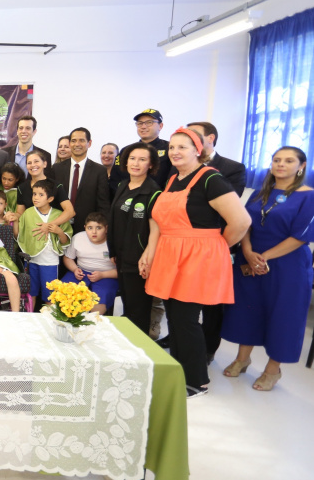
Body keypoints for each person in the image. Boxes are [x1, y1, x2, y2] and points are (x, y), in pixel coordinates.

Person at [142, 127, 251, 398]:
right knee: (175, 318)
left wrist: (216, 247)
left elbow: (241, 222)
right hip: (171, 254)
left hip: (196, 257)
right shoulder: (173, 180)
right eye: (172, 147)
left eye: (183, 147)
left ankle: (197, 381)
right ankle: (180, 369)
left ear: (198, 150)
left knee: (186, 319)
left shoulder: (211, 179)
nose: (175, 152)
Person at [221, 147, 313, 391]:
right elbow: (246, 224)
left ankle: (273, 369)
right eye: (276, 160)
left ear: (301, 166)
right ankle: (243, 358)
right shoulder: (261, 193)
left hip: (287, 264)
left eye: (288, 160)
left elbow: (301, 236)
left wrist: (264, 258)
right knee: (247, 309)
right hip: (250, 259)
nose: (280, 164)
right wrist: (249, 253)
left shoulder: (308, 196)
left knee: (283, 315)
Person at [184, 121, 248, 364]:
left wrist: (220, 244)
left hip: (213, 242)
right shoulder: (180, 166)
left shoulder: (231, 168)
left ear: (210, 138)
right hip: (184, 243)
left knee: (211, 303)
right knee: (185, 298)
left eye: (195, 136)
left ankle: (208, 347)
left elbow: (230, 209)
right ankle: (181, 338)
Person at [106, 143, 161, 336]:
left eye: (142, 159)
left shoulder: (153, 192)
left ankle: (139, 348)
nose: (135, 163)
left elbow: (156, 229)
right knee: (128, 303)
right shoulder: (123, 185)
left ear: (151, 165)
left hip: (138, 258)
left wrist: (147, 256)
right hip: (121, 256)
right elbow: (115, 220)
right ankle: (128, 343)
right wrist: (113, 251)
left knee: (139, 307)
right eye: (132, 158)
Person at [15, 179, 73, 305]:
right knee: (30, 293)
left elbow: (65, 241)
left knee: (50, 296)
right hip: (31, 261)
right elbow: (19, 235)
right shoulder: (28, 213)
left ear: (50, 199)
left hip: (50, 262)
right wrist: (14, 220)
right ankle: (29, 318)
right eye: (34, 194)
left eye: (41, 195)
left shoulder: (58, 215)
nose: (36, 197)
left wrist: (58, 231)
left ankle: (48, 322)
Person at [52, 127, 110, 235]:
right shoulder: (57, 168)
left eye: (82, 140)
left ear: (89, 143)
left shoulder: (99, 170)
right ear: (69, 143)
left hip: (86, 227)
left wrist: (102, 228)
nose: (77, 144)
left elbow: (103, 203)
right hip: (59, 225)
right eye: (73, 141)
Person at [61, 212, 118, 314]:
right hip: (80, 272)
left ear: (106, 228)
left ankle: (92, 323)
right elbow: (68, 258)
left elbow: (122, 270)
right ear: (85, 228)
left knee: (98, 303)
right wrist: (74, 269)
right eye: (90, 228)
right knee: (63, 293)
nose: (94, 232)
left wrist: (103, 275)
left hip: (106, 275)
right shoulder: (78, 237)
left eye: (99, 228)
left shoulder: (114, 241)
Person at [109, 109, 172, 193]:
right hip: (127, 200)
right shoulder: (126, 150)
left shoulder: (169, 148)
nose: (143, 127)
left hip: (158, 200)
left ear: (160, 126)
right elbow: (115, 180)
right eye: (140, 123)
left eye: (149, 122)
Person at [16, 149, 75, 231]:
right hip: (31, 232)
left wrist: (49, 225)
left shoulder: (56, 186)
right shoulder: (22, 188)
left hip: (54, 232)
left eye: (36, 161)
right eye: (29, 163)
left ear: (44, 164)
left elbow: (70, 211)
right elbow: (20, 214)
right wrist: (13, 216)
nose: (33, 165)